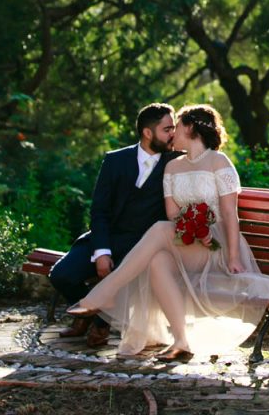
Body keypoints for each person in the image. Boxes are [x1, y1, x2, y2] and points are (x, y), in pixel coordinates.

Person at [67, 104, 269, 359]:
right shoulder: (173, 167)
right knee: (158, 261)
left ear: (190, 128)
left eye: (177, 127)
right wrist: (193, 228)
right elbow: (173, 213)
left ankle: (105, 293)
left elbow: (229, 214)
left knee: (161, 230)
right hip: (188, 240)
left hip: (217, 245)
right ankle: (181, 342)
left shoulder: (219, 161)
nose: (172, 133)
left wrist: (232, 257)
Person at [50, 102, 178, 348]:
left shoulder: (175, 164)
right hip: (105, 236)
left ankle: (100, 324)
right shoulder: (115, 160)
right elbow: (99, 210)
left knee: (120, 279)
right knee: (61, 275)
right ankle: (89, 316)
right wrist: (102, 251)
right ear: (147, 132)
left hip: (142, 246)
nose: (172, 134)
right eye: (167, 129)